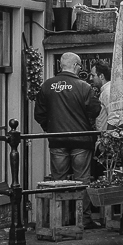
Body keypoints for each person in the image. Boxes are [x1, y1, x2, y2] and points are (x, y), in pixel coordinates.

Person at [34, 52, 101, 226]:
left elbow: (39, 113)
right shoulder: (84, 87)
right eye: (80, 66)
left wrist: (50, 128)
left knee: (59, 180)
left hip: (57, 139)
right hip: (81, 139)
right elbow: (95, 110)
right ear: (76, 66)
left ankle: (61, 219)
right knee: (82, 180)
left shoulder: (47, 86)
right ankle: (83, 219)